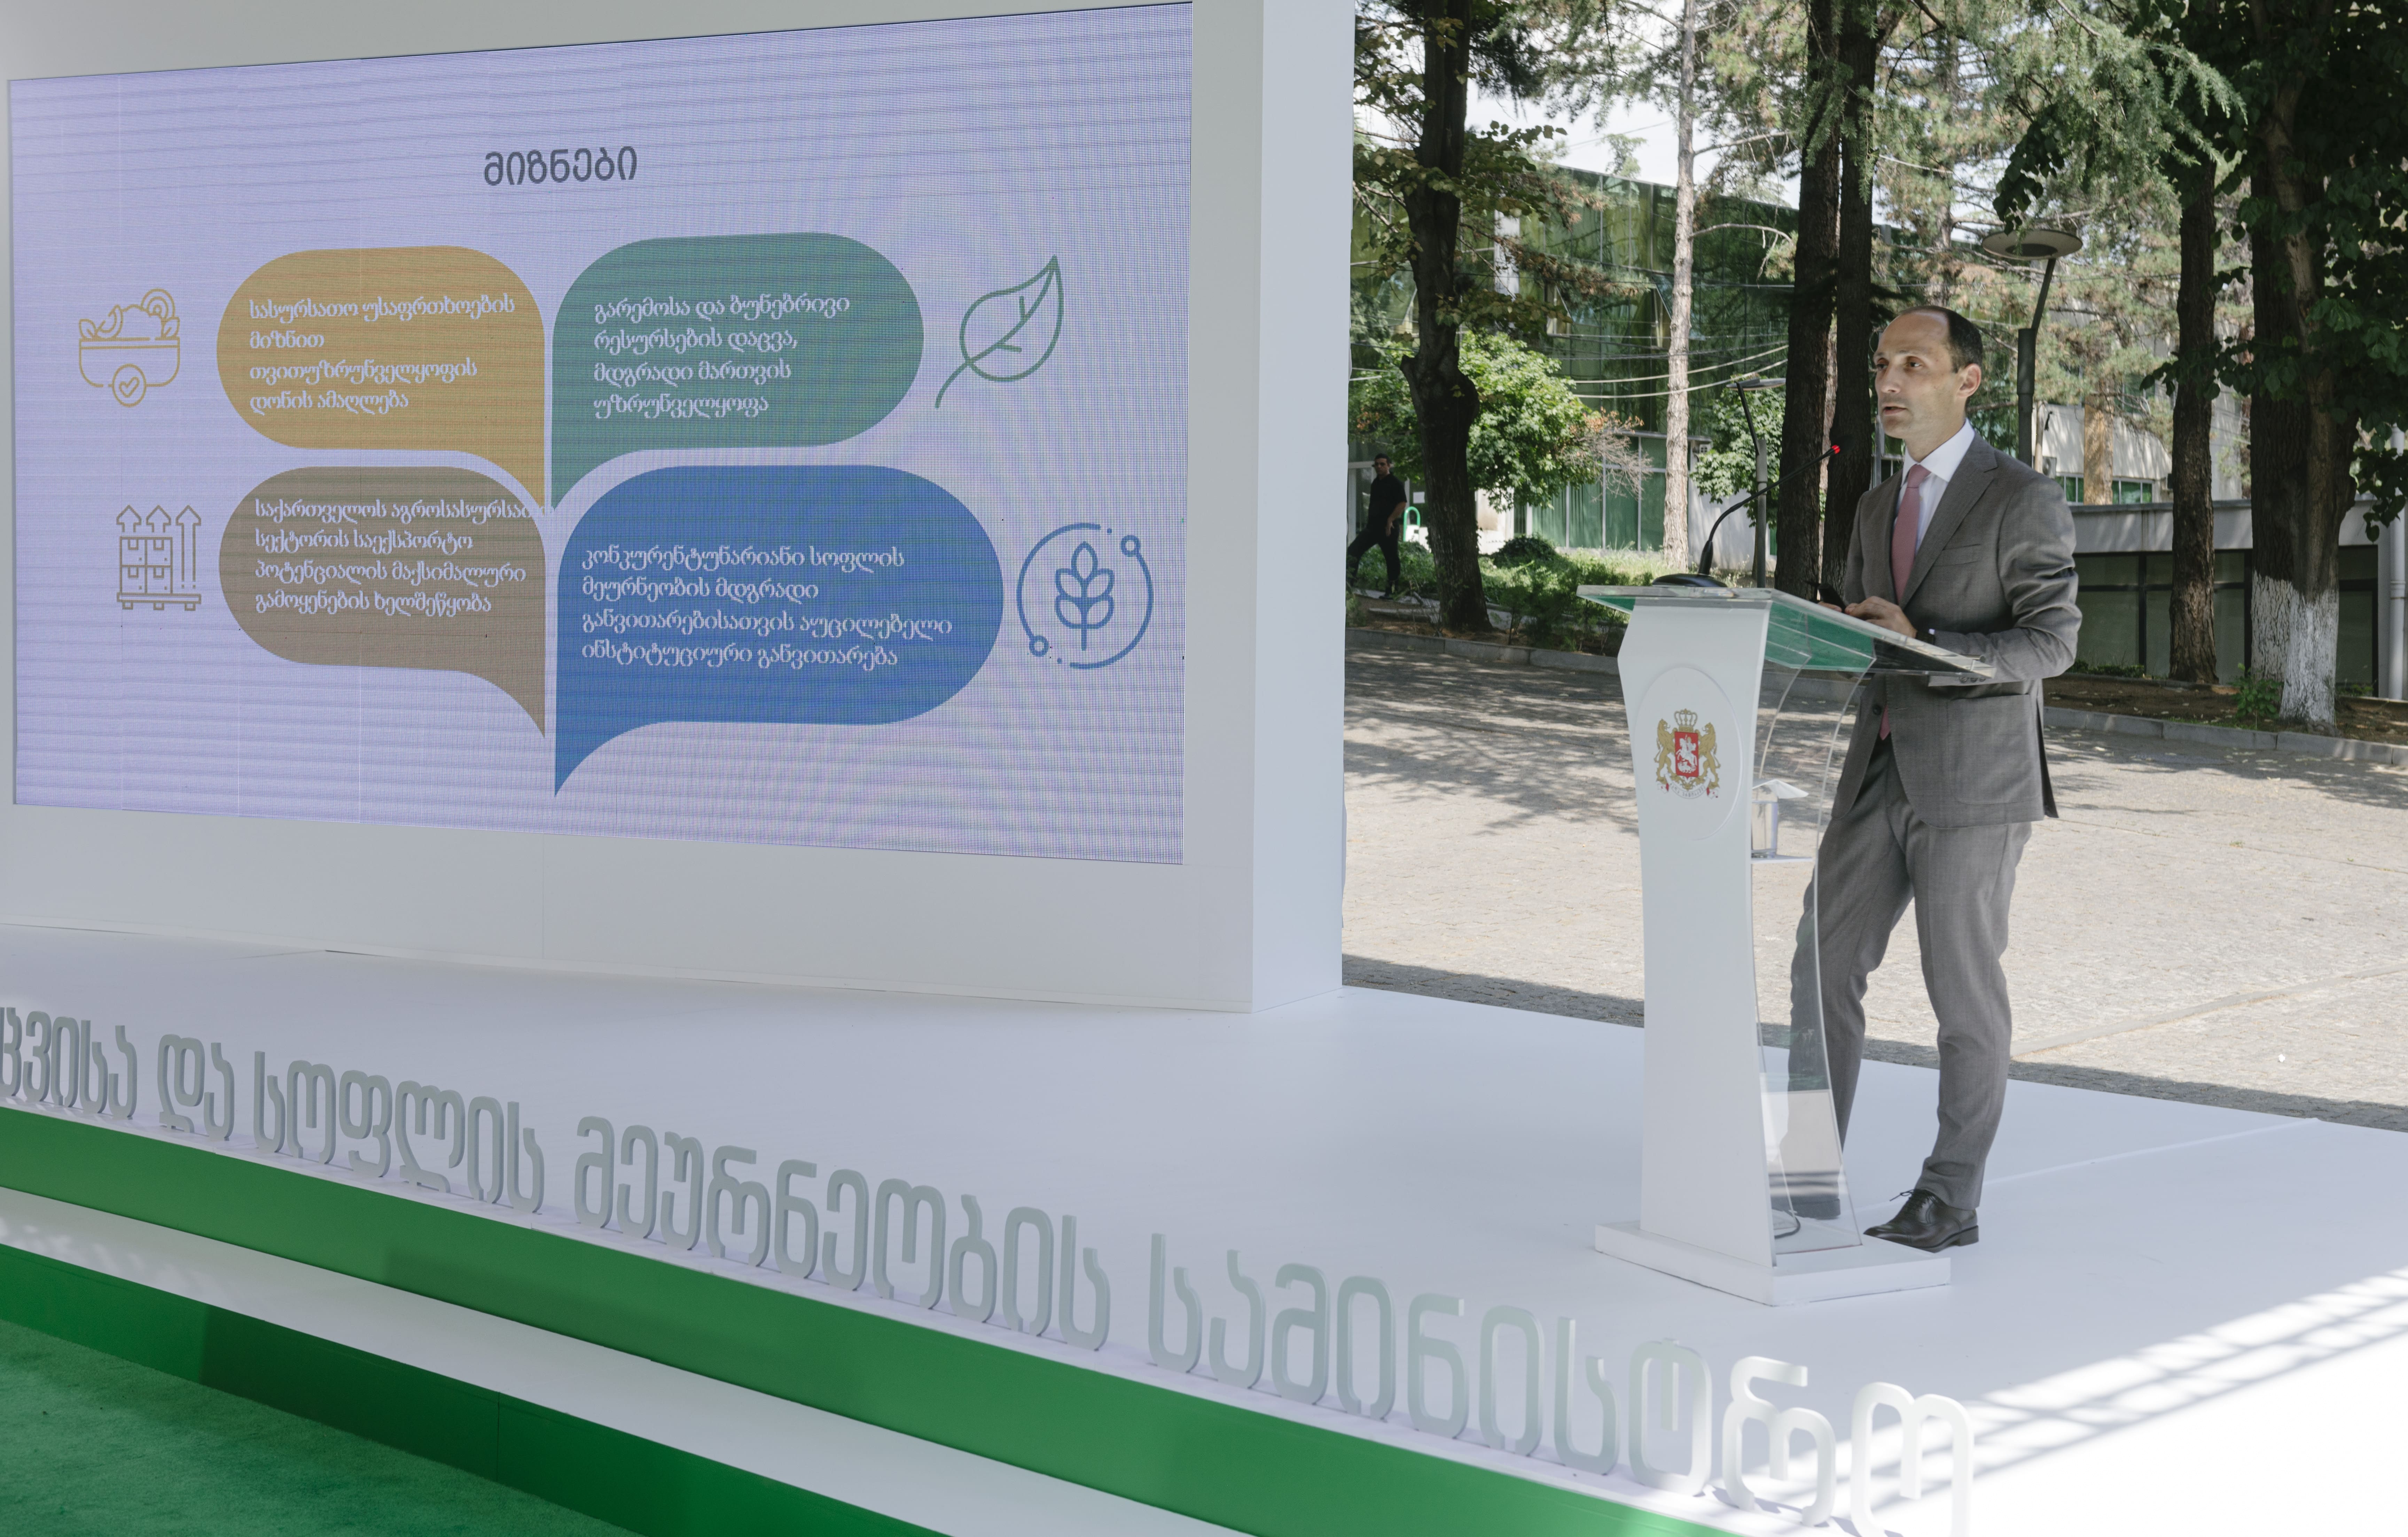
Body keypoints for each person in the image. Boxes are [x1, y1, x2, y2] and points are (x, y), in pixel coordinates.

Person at [1805, 305, 2079, 1253]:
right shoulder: (1874, 506)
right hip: (1874, 770)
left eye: (1912, 364)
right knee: (1821, 969)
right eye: (1882, 364)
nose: (1888, 381)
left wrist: (1925, 641)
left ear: (1966, 381)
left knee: (1960, 992)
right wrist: (1831, 633)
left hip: (1973, 781)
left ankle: (1949, 1194)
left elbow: (2050, 642)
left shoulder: (2020, 497)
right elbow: (1866, 633)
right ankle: (1802, 1175)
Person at [1347, 454, 1408, 596]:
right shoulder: (1375, 483)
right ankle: (1348, 586)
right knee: (1353, 551)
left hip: (1388, 529)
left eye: (1382, 464)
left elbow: (1402, 503)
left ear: (1389, 466)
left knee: (1392, 559)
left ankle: (1392, 592)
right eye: (1376, 464)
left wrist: (1390, 520)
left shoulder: (1395, 483)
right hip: (1372, 528)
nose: (1379, 467)